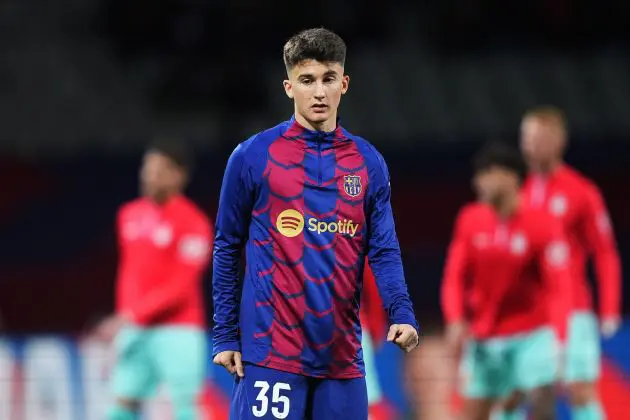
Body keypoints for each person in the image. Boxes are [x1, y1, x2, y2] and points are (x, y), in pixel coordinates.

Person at [211, 27, 419, 420]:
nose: (319, 92)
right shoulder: (253, 157)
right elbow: (226, 246)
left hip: (341, 359)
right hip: (270, 353)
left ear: (344, 83)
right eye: (307, 81)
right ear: (289, 87)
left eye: (327, 80)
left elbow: (384, 249)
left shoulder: (367, 162)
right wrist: (225, 333)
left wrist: (402, 312)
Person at [441, 142, 573, 420]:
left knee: (541, 400)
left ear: (513, 177)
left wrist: (560, 338)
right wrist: (454, 319)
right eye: (479, 174)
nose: (481, 181)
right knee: (473, 413)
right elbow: (454, 277)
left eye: (489, 172)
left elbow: (560, 286)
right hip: (484, 334)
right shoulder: (470, 219)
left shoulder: (542, 223)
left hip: (531, 333)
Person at [515, 106, 621, 420]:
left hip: (574, 308)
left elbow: (604, 252)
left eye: (539, 137)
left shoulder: (582, 192)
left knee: (579, 389)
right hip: (533, 314)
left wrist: (610, 307)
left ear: (559, 141)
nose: (531, 145)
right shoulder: (520, 194)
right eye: (527, 137)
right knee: (534, 396)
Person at [95, 141, 212, 420]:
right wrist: (126, 316)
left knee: (186, 407)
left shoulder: (194, 223)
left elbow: (182, 286)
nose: (149, 176)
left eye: (159, 170)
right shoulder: (128, 215)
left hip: (179, 329)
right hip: (135, 328)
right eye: (147, 169)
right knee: (123, 403)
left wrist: (131, 315)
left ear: (179, 176)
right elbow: (129, 274)